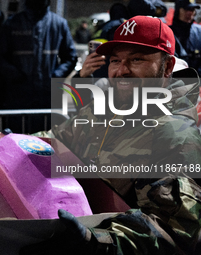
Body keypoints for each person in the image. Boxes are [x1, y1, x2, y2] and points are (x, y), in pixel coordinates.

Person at [22, 16, 201, 254]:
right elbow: (59, 138)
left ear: (167, 67)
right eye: (115, 60)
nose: (120, 71)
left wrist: (95, 240)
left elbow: (175, 231)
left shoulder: (175, 133)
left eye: (136, 59)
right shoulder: (105, 108)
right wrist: (17, 143)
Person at [0, 0, 77, 133]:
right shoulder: (12, 23)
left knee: (46, 143)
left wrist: (55, 76)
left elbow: (71, 57)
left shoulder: (58, 24)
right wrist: (15, 75)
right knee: (18, 143)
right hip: (18, 98)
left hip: (47, 98)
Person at [170, 0, 201, 77]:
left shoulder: (199, 31)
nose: (190, 13)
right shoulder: (169, 32)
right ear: (178, 10)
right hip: (176, 80)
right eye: (187, 9)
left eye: (192, 10)